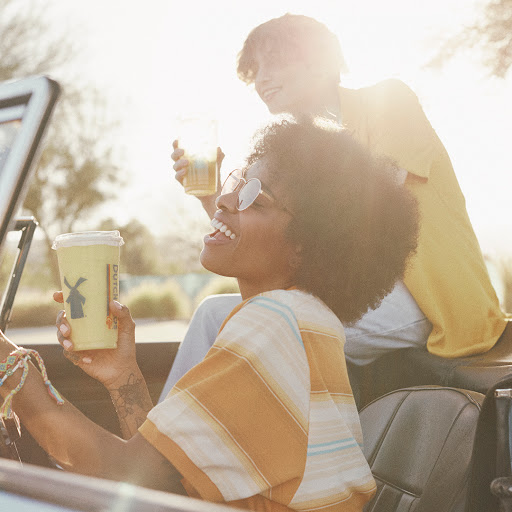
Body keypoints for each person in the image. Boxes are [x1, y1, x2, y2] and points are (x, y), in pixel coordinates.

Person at [0, 117, 419, 511]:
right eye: (238, 180)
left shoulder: (278, 322)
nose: (224, 198)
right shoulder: (301, 321)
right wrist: (122, 375)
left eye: (256, 196)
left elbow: (124, 475)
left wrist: (8, 366)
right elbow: (164, 483)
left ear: (308, 245)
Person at [165, 13, 508, 400]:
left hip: (430, 302)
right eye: (254, 69)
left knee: (240, 319)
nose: (261, 79)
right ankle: (177, 445)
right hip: (361, 291)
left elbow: (351, 220)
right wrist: (211, 193)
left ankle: (158, 452)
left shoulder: (388, 102)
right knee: (219, 313)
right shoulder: (299, 155)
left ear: (323, 60)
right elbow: (257, 245)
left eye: (274, 60)